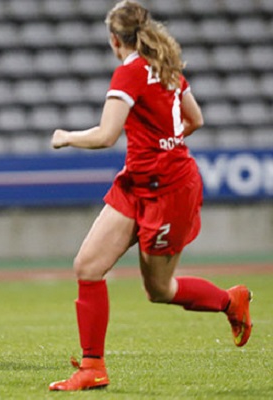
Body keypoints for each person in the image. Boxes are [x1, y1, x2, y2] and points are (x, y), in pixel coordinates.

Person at [48, 1, 252, 391]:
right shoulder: (165, 66)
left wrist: (66, 136)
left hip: (170, 191)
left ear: (114, 40)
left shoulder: (129, 74)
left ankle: (231, 301)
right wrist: (162, 144)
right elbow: (196, 119)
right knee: (87, 267)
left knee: (160, 290)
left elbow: (107, 135)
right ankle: (93, 367)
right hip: (136, 184)